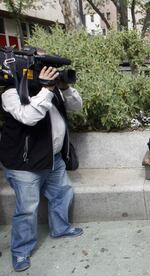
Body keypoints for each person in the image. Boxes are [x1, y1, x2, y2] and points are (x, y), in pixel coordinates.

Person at [0, 55, 83, 272]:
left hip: (53, 159)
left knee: (62, 193)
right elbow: (28, 117)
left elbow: (76, 106)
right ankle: (20, 251)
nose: (50, 73)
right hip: (24, 165)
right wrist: (46, 90)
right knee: (27, 209)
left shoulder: (52, 90)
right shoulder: (11, 92)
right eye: (44, 70)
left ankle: (61, 228)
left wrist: (64, 88)